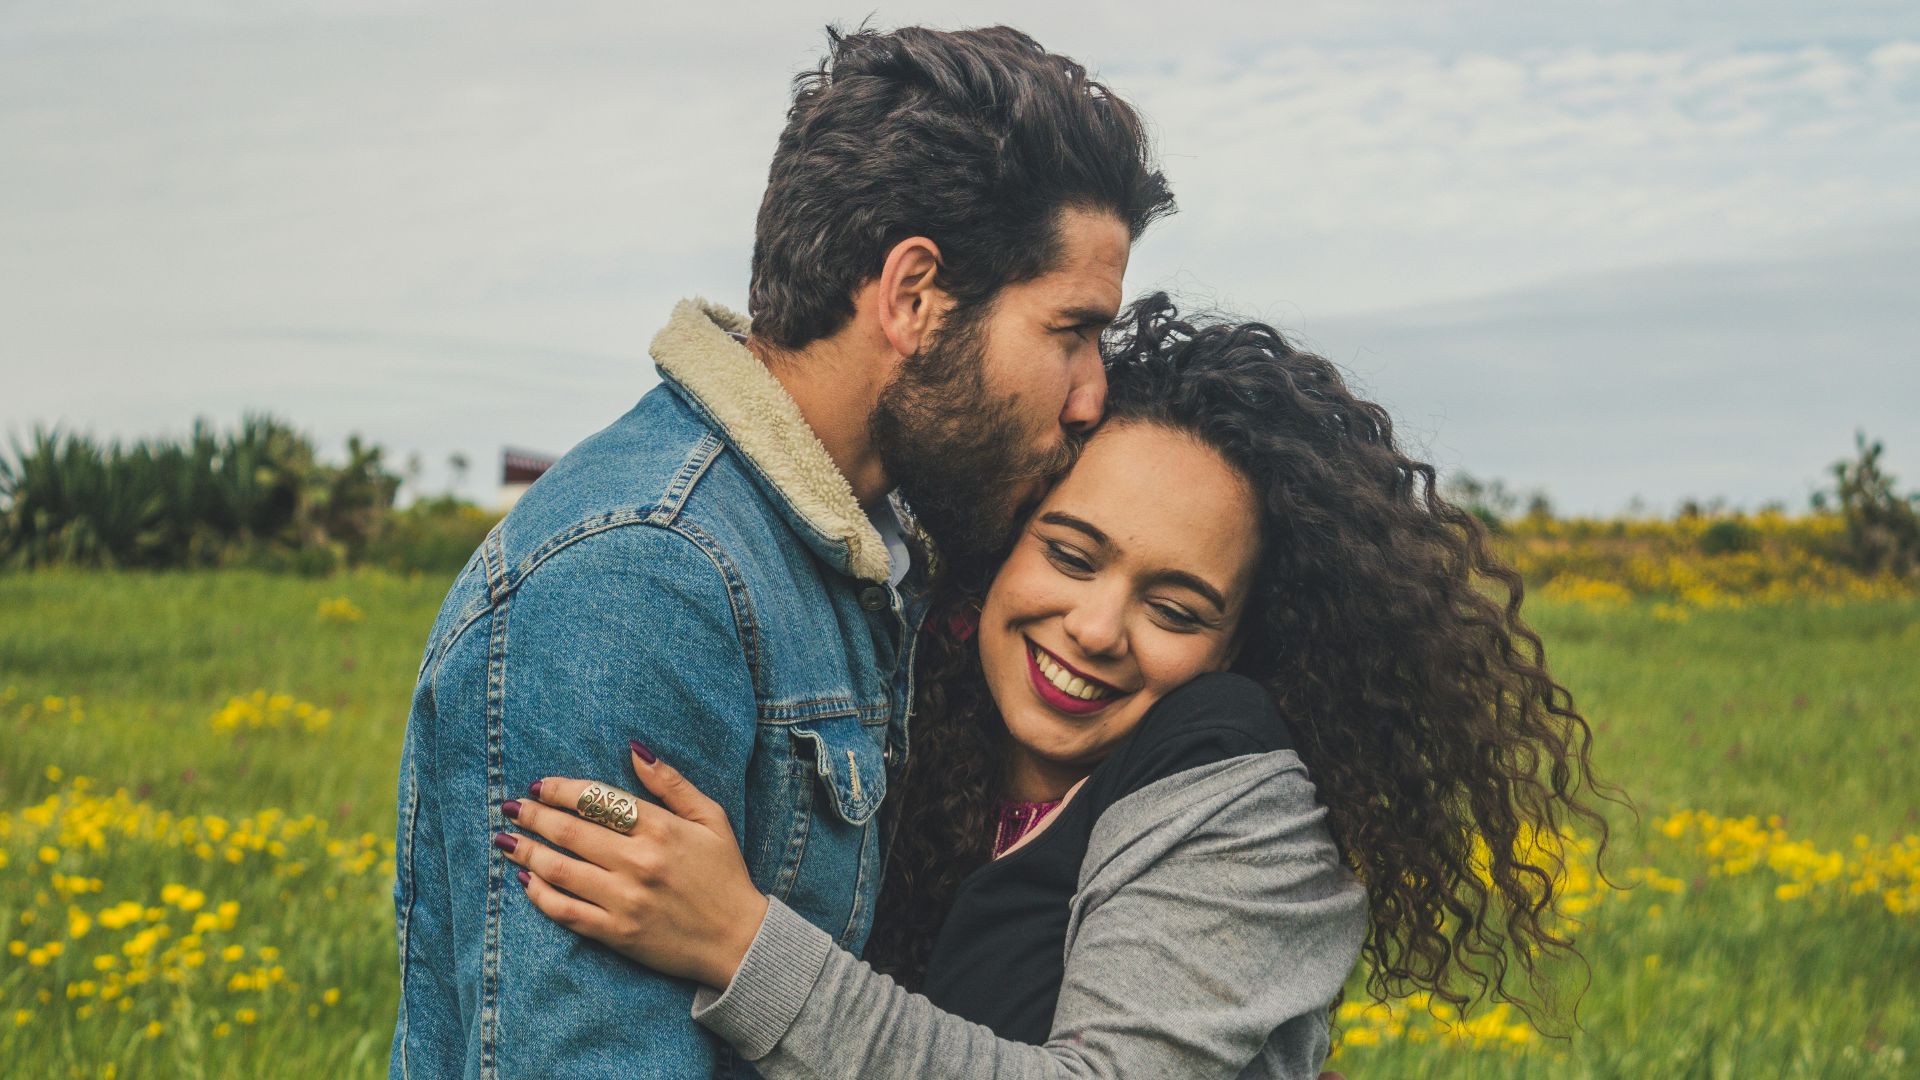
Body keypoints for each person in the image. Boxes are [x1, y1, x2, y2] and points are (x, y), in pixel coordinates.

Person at [493, 296, 1615, 1077]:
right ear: (997, 550)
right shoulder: (903, 729)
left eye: (1175, 609)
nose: (1096, 627)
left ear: (1234, 646)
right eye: (1071, 555)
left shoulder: (1245, 799)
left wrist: (739, 945)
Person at [388, 25, 1174, 1079]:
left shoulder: (858, 552)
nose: (1090, 396)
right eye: (1069, 331)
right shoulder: (640, 581)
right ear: (912, 296)